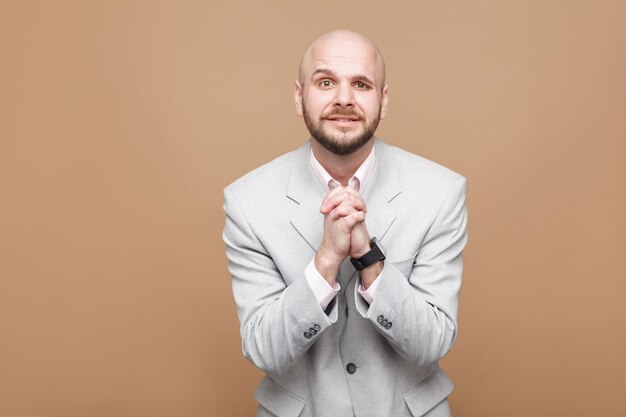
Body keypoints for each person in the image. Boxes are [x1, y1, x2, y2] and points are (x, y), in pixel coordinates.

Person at [223, 29, 468, 417]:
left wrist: (370, 261)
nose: (343, 98)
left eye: (361, 84)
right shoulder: (247, 201)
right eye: (325, 82)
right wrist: (324, 263)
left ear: (383, 101)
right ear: (299, 96)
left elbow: (432, 344)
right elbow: (264, 350)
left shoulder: (441, 192)